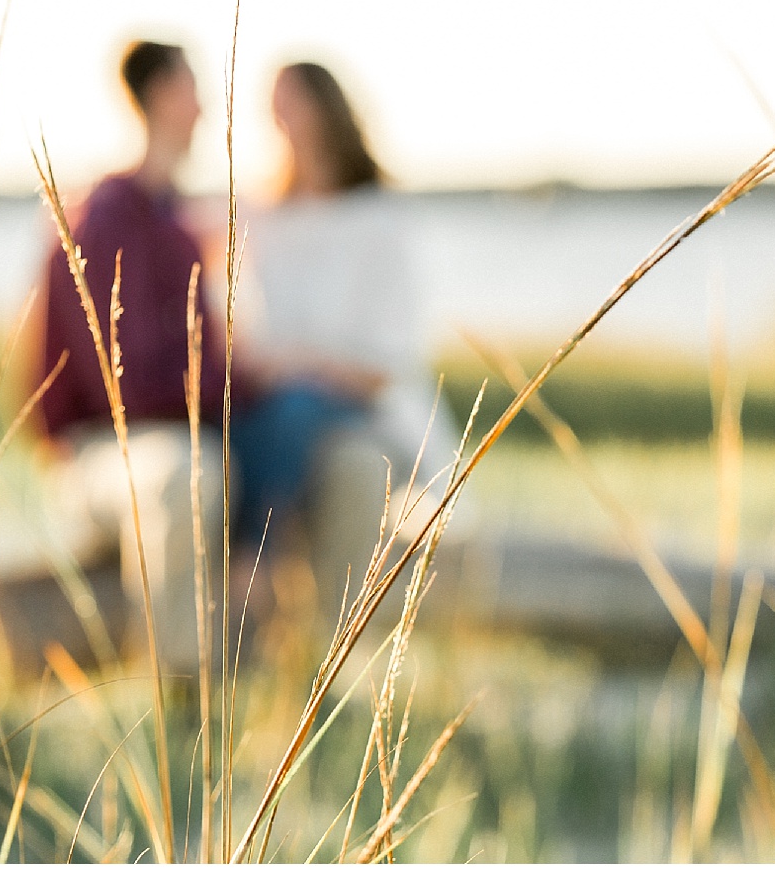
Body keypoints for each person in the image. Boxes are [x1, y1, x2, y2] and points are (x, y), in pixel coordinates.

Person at [231, 61, 460, 603]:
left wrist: (301, 365)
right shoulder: (265, 218)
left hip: (365, 405)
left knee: (293, 410)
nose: (282, 120)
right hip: (284, 397)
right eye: (275, 108)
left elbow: (385, 368)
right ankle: (251, 566)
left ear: (328, 110)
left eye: (294, 105)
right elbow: (247, 329)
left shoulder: (382, 220)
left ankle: (254, 561)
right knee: (251, 415)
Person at [36, 40, 230, 674]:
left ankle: (314, 669)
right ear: (158, 98)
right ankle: (180, 690)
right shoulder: (102, 219)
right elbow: (122, 386)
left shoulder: (177, 222)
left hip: (177, 441)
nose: (203, 107)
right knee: (183, 473)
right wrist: (240, 383)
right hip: (100, 455)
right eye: (192, 88)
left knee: (324, 450)